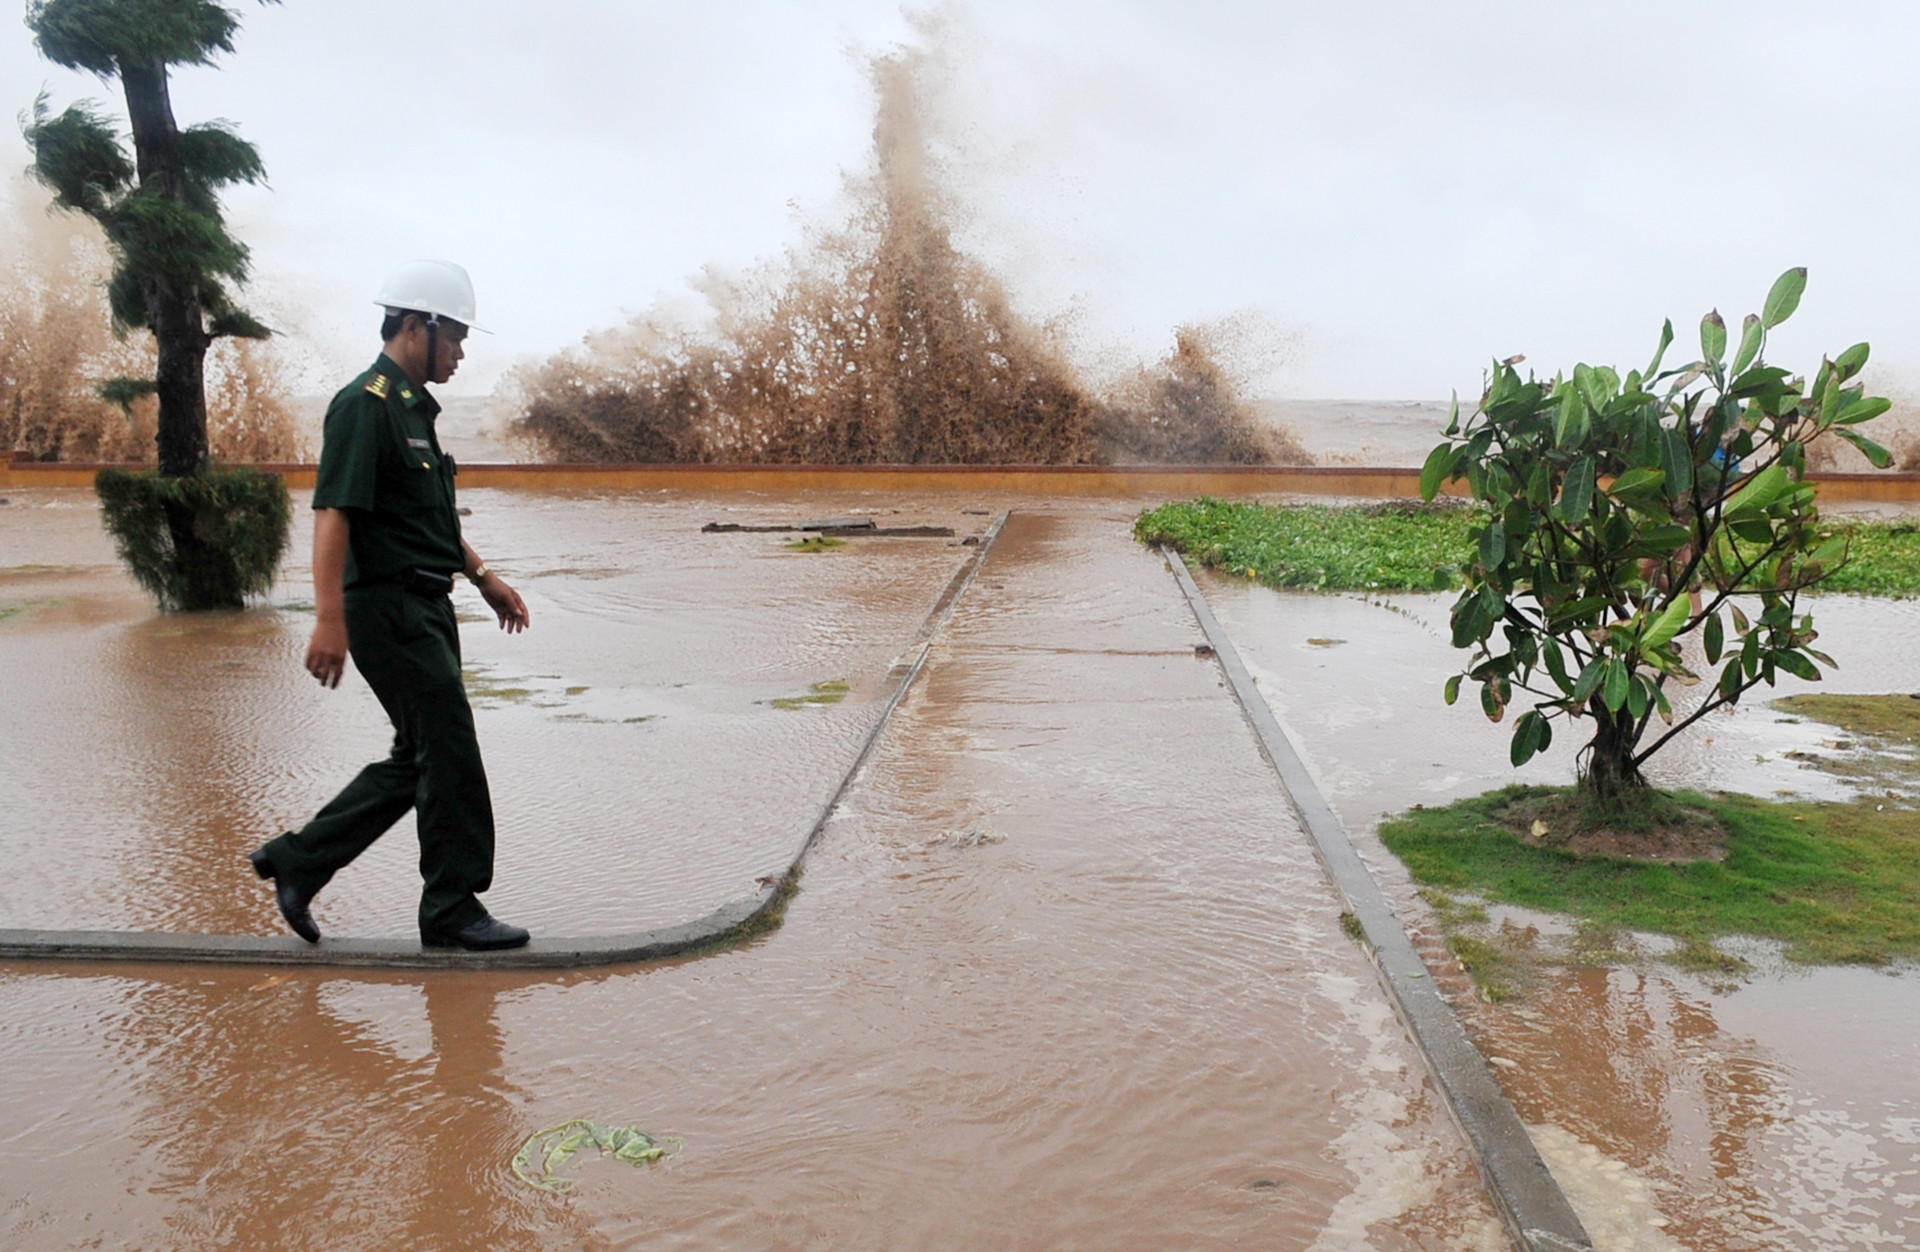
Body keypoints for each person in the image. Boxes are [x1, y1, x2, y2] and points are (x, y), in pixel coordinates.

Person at [250, 260, 533, 951]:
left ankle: (299, 860)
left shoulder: (413, 411)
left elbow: (425, 518)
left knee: (422, 756)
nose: (462, 353)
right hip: (387, 605)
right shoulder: (365, 405)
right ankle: (452, 908)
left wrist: (483, 574)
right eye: (456, 338)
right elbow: (333, 514)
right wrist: (328, 619)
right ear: (416, 327)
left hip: (426, 604)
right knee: (451, 751)